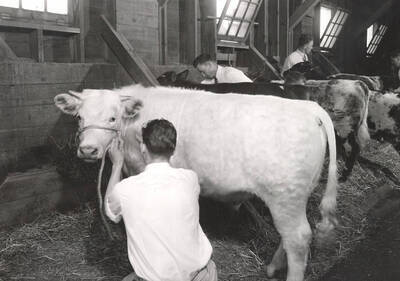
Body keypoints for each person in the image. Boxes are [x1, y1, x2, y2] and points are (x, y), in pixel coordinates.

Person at [104, 119, 217, 281]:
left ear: (142, 148)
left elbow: (110, 210)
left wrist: (117, 164)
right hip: (202, 275)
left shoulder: (125, 190)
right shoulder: (190, 179)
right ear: (174, 149)